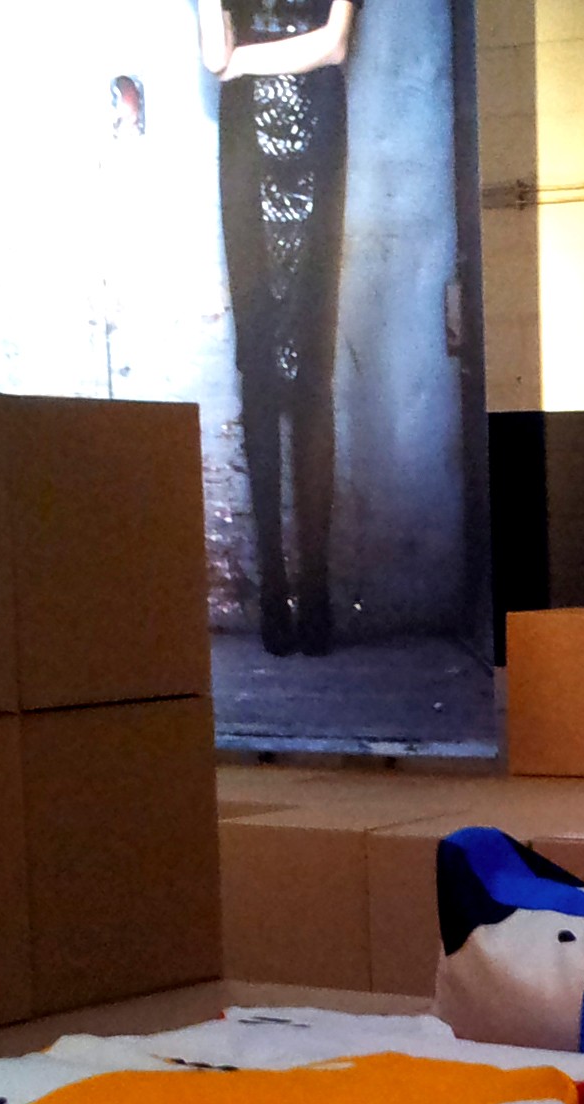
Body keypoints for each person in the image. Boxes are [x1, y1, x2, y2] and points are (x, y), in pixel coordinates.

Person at [200, 0, 356, 659]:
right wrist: (243, 60)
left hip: (318, 130)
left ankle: (315, 593)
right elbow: (214, 56)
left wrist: (244, 61)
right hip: (245, 147)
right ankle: (273, 593)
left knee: (313, 371)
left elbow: (336, 44)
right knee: (258, 370)